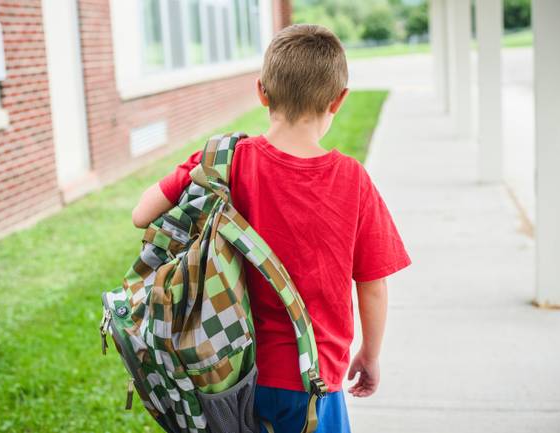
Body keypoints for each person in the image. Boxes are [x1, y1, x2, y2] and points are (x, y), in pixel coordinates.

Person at [131, 24, 411, 433]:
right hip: (314, 376)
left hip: (229, 371)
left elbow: (142, 213)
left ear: (261, 91)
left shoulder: (227, 160)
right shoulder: (352, 180)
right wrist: (370, 354)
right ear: (339, 100)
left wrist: (193, 168)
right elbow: (372, 284)